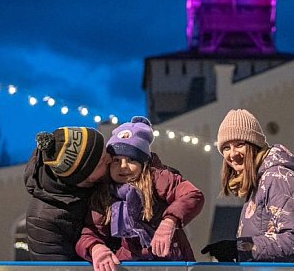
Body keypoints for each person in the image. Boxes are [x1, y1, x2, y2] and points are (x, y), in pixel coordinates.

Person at [76, 116, 204, 271]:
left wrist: (169, 221)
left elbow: (192, 195)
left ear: (143, 163)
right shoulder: (105, 194)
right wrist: (96, 248)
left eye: (131, 160)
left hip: (172, 262)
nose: (123, 167)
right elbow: (90, 233)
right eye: (116, 160)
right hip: (131, 265)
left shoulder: (158, 178)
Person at [201, 109, 294, 263]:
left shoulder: (278, 177)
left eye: (239, 144)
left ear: (254, 145)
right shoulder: (260, 181)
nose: (232, 154)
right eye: (226, 147)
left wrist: (239, 248)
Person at [24, 126, 112, 261]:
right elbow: (56, 269)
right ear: (82, 177)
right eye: (101, 161)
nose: (110, 159)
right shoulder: (43, 219)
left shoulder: (104, 179)